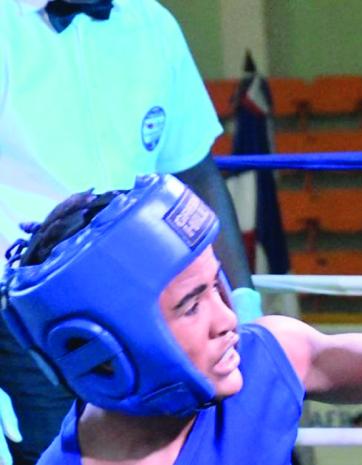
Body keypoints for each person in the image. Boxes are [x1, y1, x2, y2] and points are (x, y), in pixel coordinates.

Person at [0, 173, 362, 464]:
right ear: (109, 347)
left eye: (216, 286)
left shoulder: (264, 356)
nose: (227, 318)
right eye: (190, 304)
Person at [0, 0, 262, 462]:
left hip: (160, 309)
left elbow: (193, 172)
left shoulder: (152, 25)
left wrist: (242, 300)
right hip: (32, 317)